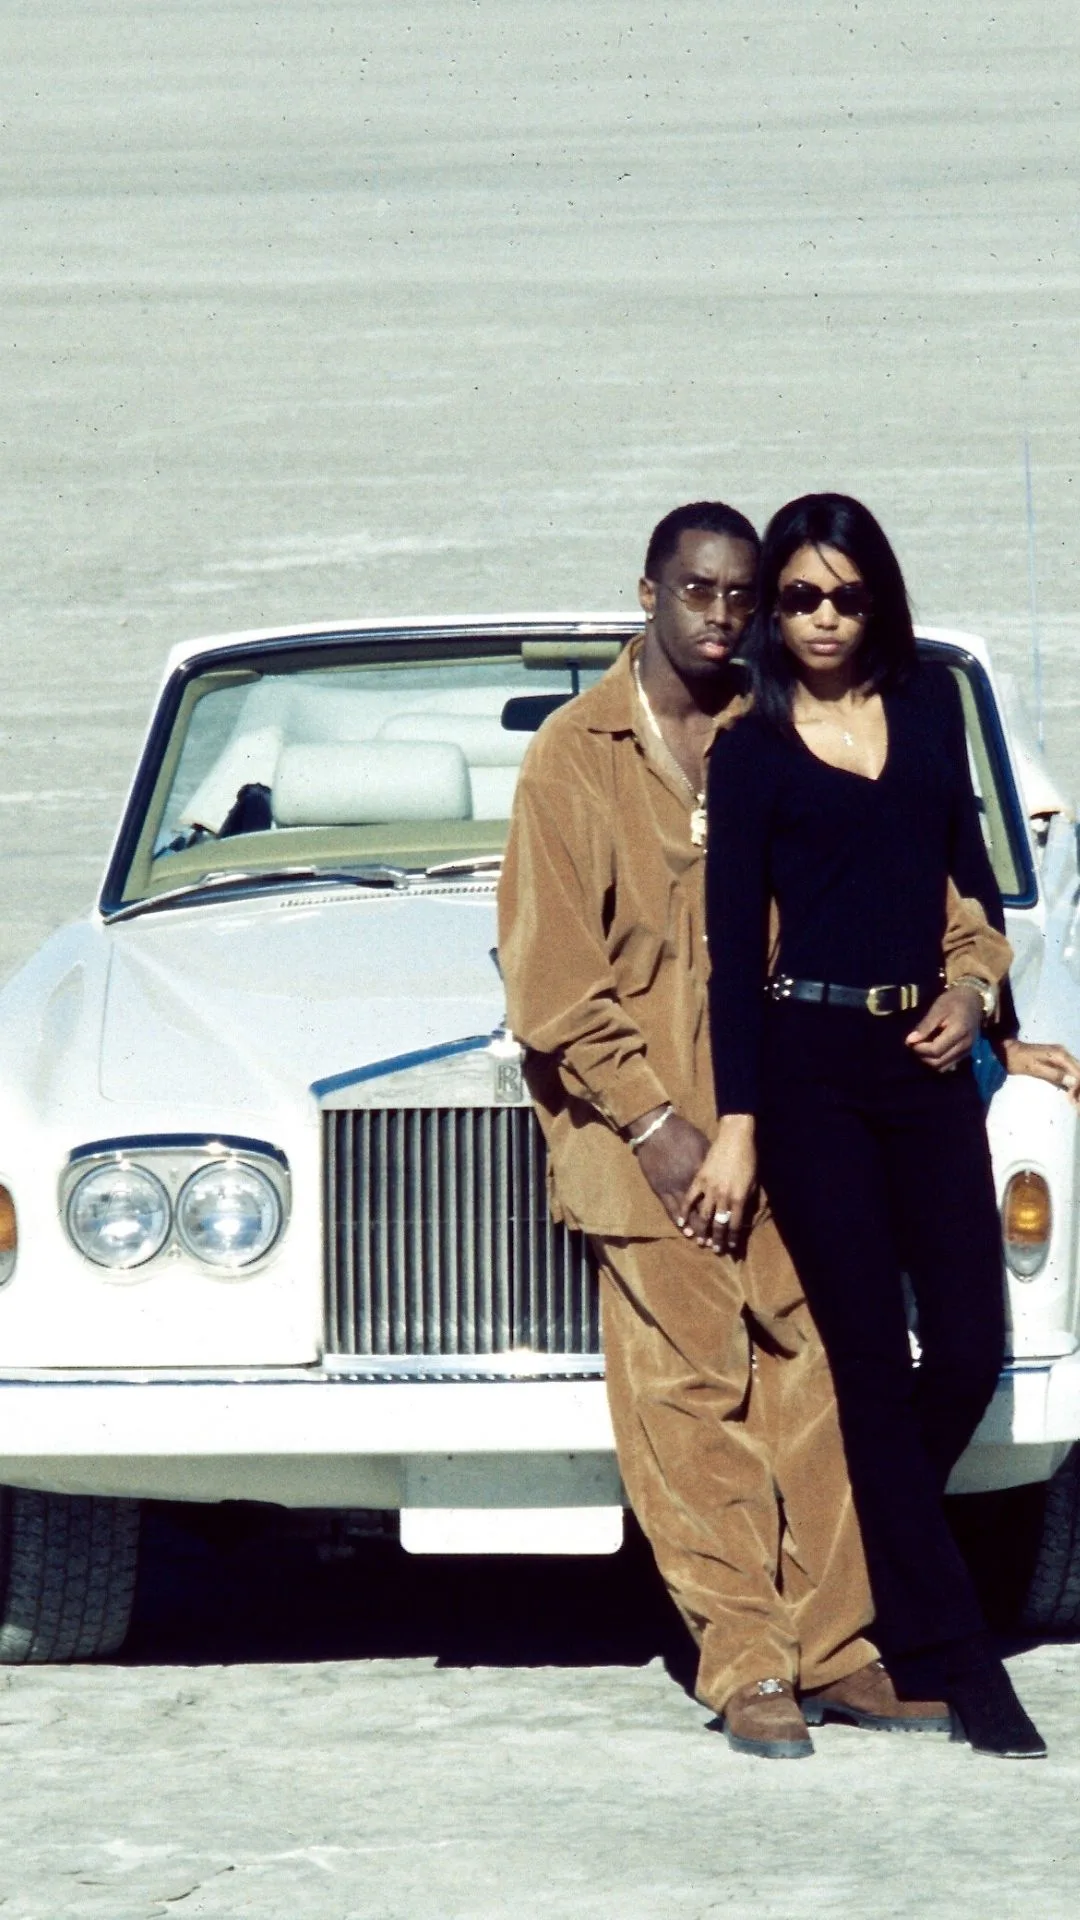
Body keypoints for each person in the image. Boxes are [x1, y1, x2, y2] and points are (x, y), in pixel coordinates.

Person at [497, 500, 1016, 1759]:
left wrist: (983, 996)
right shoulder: (577, 756)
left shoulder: (779, 726)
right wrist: (660, 1123)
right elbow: (553, 981)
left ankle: (840, 1652)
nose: (724, 619)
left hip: (789, 1114)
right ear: (648, 593)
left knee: (827, 1379)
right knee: (690, 1402)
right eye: (700, 594)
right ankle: (746, 1665)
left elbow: (932, 885)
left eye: (744, 598)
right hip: (643, 1142)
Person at [695, 491, 1080, 1759]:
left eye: (844, 596)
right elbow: (722, 954)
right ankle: (956, 1656)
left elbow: (966, 873)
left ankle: (862, 1574)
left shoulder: (924, 714)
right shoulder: (750, 747)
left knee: (967, 1346)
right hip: (808, 1069)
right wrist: (740, 1122)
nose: (819, 618)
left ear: (880, 599)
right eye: (797, 596)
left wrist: (990, 1011)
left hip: (924, 1061)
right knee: (869, 1361)